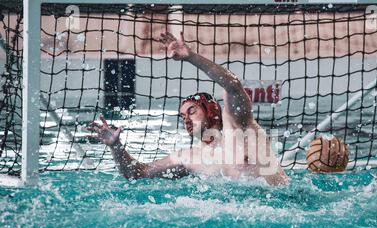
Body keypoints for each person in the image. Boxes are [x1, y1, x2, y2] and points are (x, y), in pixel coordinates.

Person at [89, 32, 289, 186]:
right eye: (182, 115)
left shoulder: (239, 128)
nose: (185, 119)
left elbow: (232, 85)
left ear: (211, 111)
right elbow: (136, 173)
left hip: (284, 204)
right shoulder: (188, 157)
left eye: (191, 111)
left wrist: (191, 57)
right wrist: (116, 147)